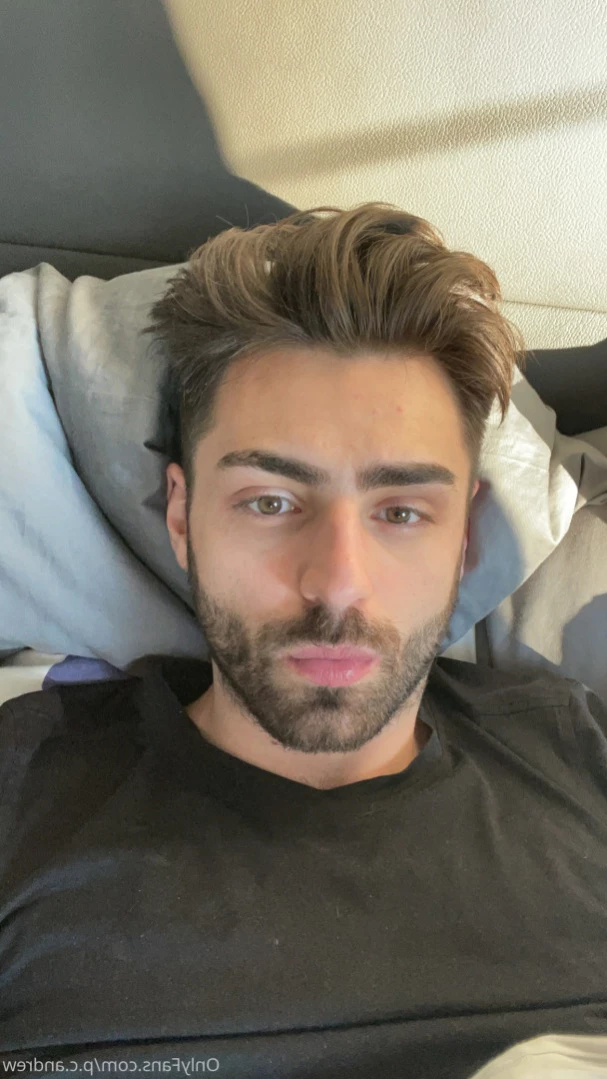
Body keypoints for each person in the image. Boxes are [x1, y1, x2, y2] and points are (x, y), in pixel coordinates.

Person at [1, 204, 605, 1079]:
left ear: (463, 537)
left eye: (402, 511)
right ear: (182, 516)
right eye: (271, 501)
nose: (337, 581)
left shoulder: (579, 758)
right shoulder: (22, 791)